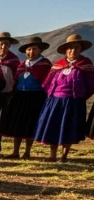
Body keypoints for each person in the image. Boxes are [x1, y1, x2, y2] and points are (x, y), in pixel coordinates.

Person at [34, 34, 94, 162]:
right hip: (55, 101)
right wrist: (52, 98)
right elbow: (48, 83)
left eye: (76, 48)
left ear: (81, 49)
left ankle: (64, 156)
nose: (73, 51)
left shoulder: (86, 65)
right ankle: (52, 155)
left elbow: (90, 85)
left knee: (68, 128)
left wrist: (79, 96)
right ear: (66, 50)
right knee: (53, 127)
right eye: (70, 48)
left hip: (74, 102)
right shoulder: (58, 65)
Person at [0, 37, 52, 159]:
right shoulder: (22, 65)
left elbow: (48, 82)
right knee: (18, 123)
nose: (31, 52)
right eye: (29, 49)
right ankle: (15, 151)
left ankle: (27, 152)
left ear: (40, 50)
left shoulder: (45, 65)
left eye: (34, 49)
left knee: (30, 124)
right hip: (19, 96)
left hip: (36, 97)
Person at [0, 32, 20, 155]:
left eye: (6, 44)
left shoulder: (14, 60)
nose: (3, 47)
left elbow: (18, 76)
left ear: (10, 46)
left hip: (7, 93)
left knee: (0, 121)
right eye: (1, 44)